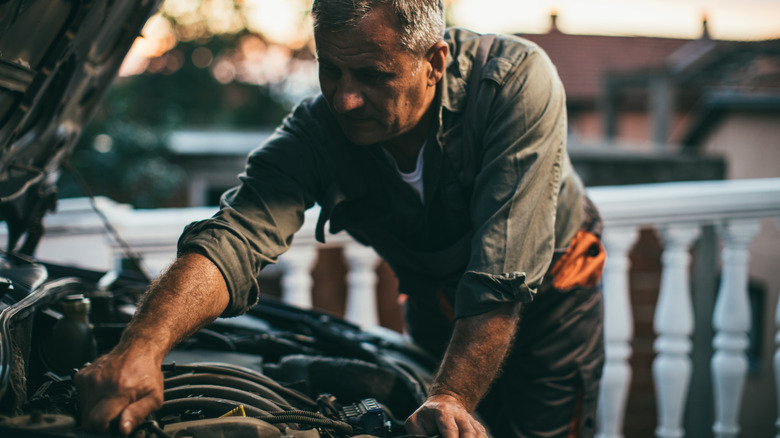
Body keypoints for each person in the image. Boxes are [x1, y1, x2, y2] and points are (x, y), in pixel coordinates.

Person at [75, 1, 606, 437]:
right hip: (436, 299)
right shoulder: (317, 131)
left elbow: (500, 274)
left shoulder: (514, 83)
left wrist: (450, 397)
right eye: (331, 69)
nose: (345, 99)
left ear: (435, 62)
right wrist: (140, 347)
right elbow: (234, 237)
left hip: (552, 298)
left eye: (373, 75)